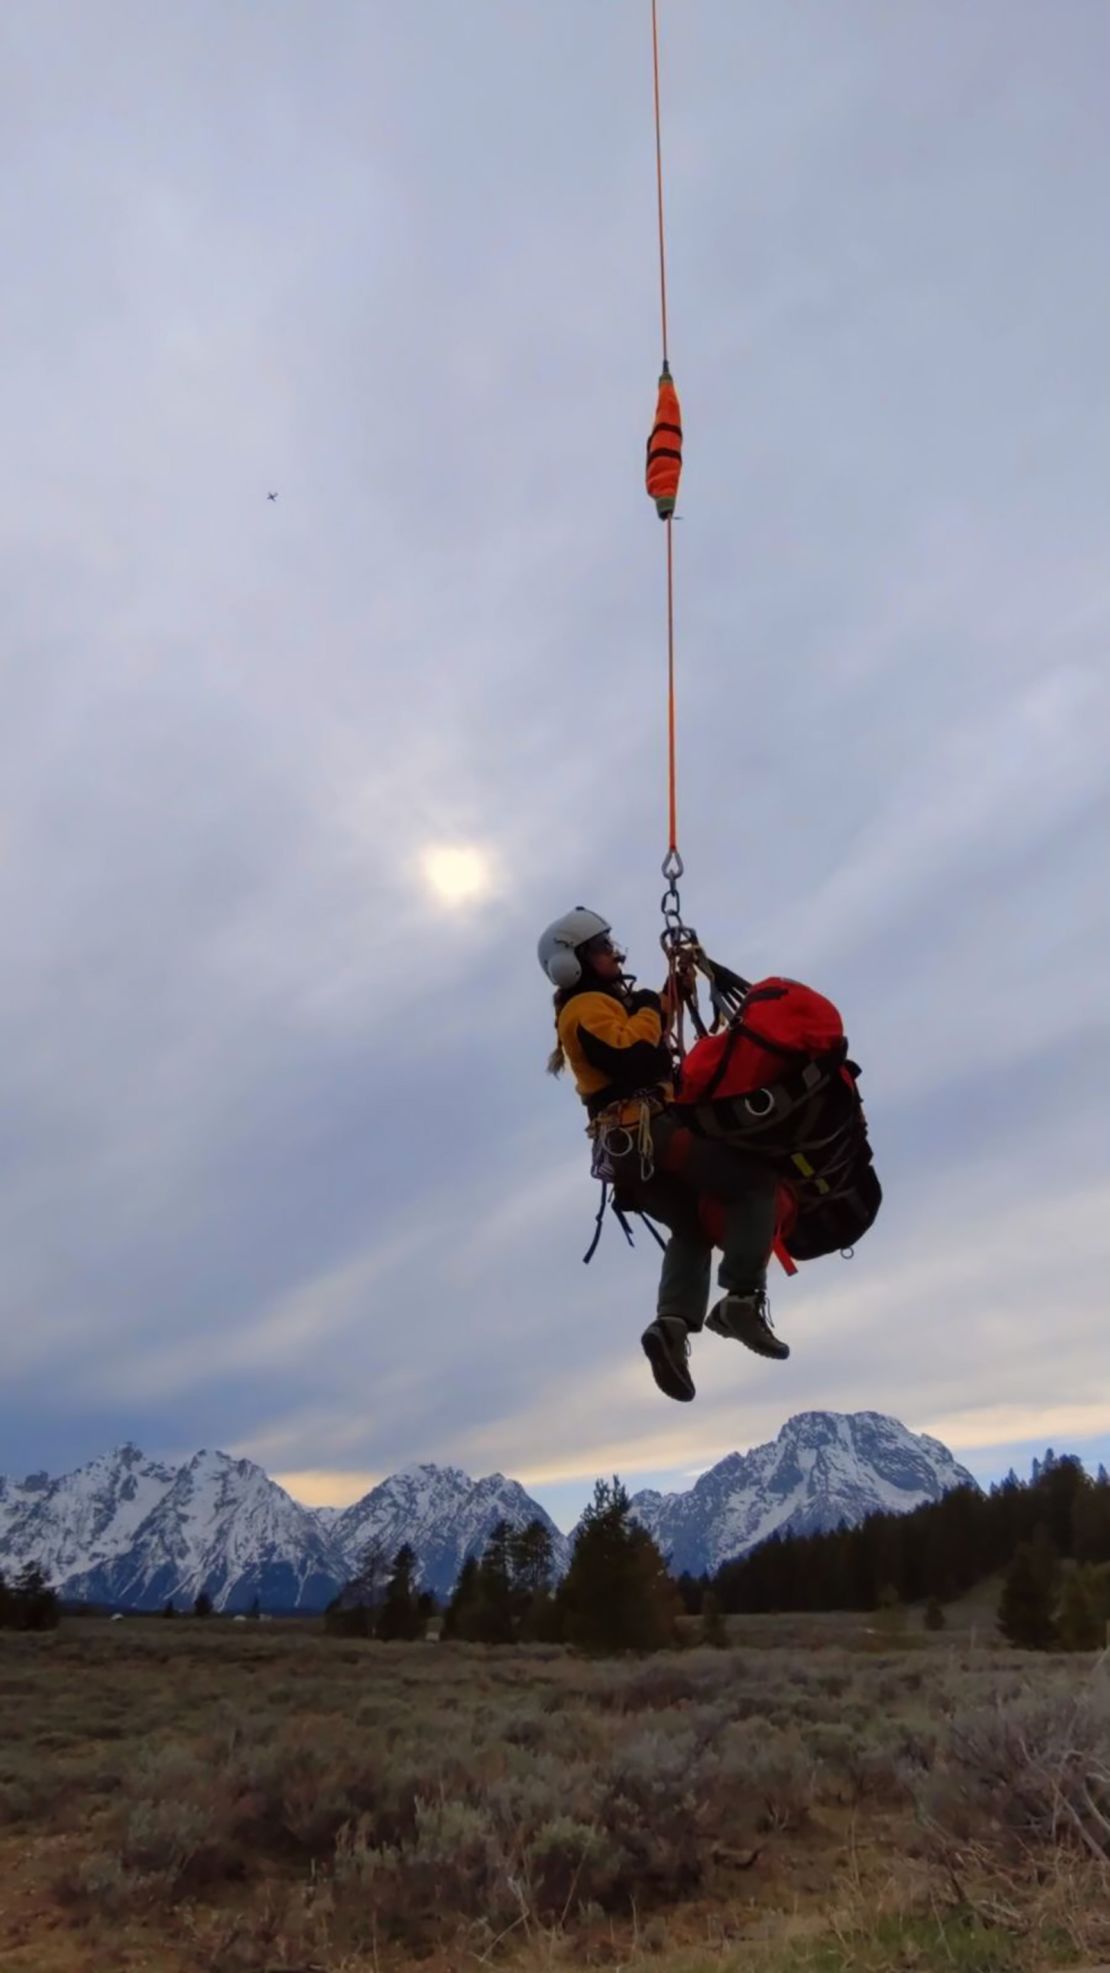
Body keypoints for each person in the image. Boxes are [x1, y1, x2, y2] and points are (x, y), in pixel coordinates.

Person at [539, 907, 790, 1403]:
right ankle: (741, 1298)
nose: (615, 953)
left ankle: (672, 1325)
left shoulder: (601, 1005)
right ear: (575, 962)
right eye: (604, 947)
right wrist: (655, 1003)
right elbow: (636, 1054)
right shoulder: (583, 1008)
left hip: (632, 1152)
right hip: (648, 1130)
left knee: (693, 1228)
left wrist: (669, 991)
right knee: (754, 1184)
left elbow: (642, 1030)